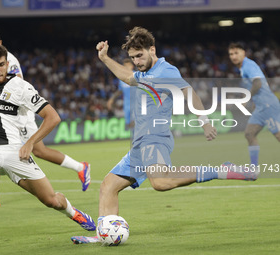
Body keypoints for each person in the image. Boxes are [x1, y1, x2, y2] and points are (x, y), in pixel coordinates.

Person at [71, 27, 258, 244]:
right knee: (108, 186)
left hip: (155, 137)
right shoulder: (143, 73)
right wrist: (104, 58)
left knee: (160, 182)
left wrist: (204, 121)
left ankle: (220, 170)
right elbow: (127, 76)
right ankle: (102, 236)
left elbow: (189, 92)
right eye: (133, 57)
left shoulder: (166, 71)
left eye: (140, 55)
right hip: (139, 143)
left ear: (152, 49)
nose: (137, 61)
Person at [0, 44, 96, 231]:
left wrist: (30, 143)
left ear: (7, 64)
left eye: (0, 65)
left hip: (14, 153)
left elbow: (53, 117)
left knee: (52, 201)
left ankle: (75, 213)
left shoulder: (21, 88)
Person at [0, 30, 91, 208]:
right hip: (5, 114)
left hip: (20, 115)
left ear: (1, 42)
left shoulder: (9, 60)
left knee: (38, 151)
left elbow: (16, 83)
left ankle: (80, 167)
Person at [228, 42, 280, 167]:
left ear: (243, 53)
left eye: (236, 53)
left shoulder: (248, 65)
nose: (233, 56)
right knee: (249, 134)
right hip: (260, 107)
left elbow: (258, 83)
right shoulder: (243, 68)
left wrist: (246, 98)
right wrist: (255, 102)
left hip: (268, 105)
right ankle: (254, 169)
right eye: (231, 54)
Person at [107, 58, 135, 128]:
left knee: (135, 123)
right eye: (125, 66)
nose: (126, 67)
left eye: (128, 65)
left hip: (136, 105)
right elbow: (120, 91)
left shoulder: (136, 76)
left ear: (132, 66)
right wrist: (112, 99)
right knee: (129, 125)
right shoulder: (122, 79)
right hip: (127, 105)